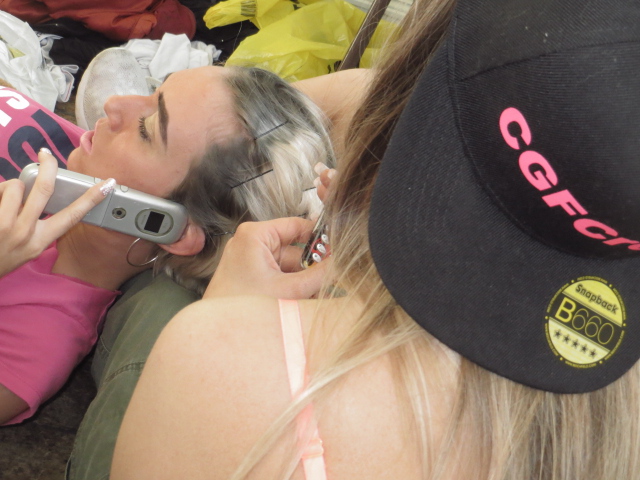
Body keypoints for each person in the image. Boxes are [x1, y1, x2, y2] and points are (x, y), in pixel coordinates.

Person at [110, 0, 640, 479]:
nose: (117, 109)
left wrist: (229, 323)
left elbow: (367, 89)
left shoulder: (210, 361)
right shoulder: (614, 421)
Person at [0, 64, 335, 426]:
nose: (114, 104)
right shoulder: (79, 157)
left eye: (147, 129)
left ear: (173, 227)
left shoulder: (34, 344)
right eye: (154, 90)